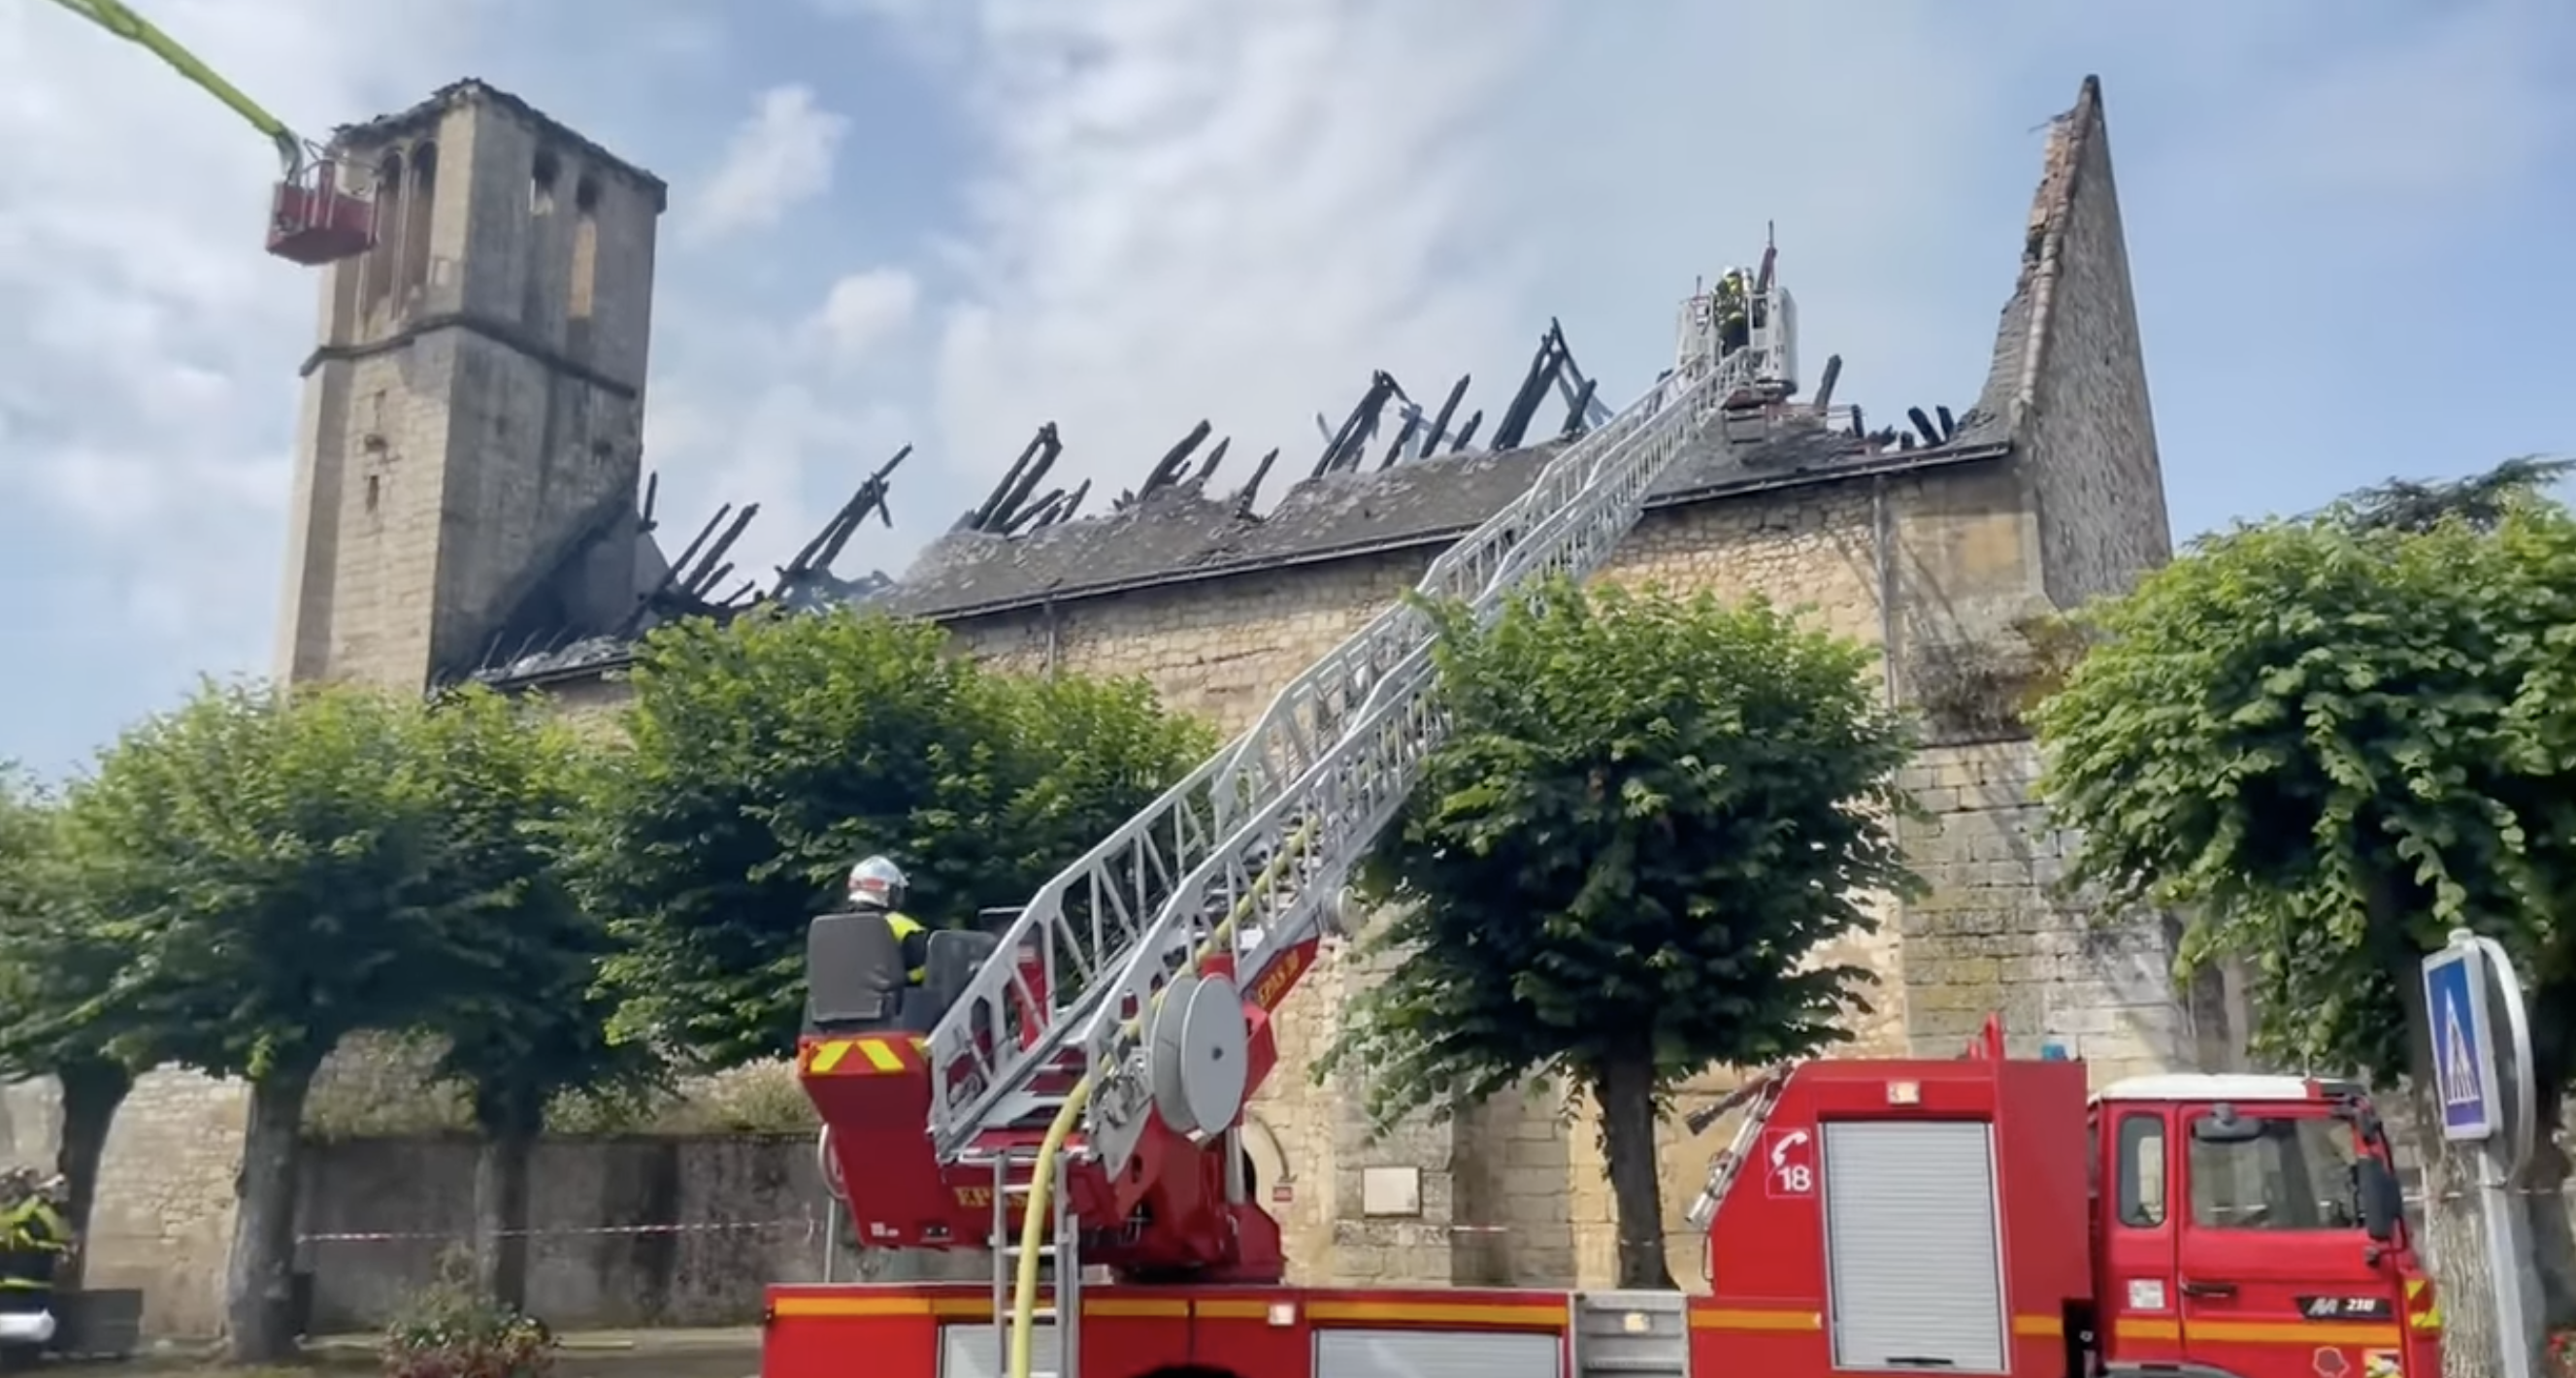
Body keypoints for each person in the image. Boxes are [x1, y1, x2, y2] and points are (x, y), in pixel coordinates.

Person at [846, 855, 928, 986]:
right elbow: (928, 970)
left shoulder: (830, 926)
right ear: (891, 892)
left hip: (834, 1005)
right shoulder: (904, 927)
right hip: (893, 1004)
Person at [1714, 269, 1752, 358]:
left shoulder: (1720, 287)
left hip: (1724, 323)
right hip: (1737, 319)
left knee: (1728, 346)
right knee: (1740, 343)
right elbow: (1745, 296)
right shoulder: (1738, 282)